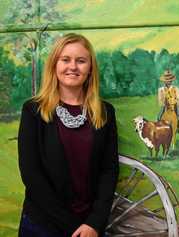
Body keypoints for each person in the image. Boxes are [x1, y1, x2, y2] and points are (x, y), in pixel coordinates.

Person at [17, 33, 119, 237]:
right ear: (54, 65)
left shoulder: (105, 112)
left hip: (89, 227)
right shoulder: (33, 111)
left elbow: (109, 171)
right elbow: (31, 174)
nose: (73, 66)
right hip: (42, 224)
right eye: (65, 60)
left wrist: (94, 223)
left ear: (90, 69)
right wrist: (72, 226)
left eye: (81, 61)